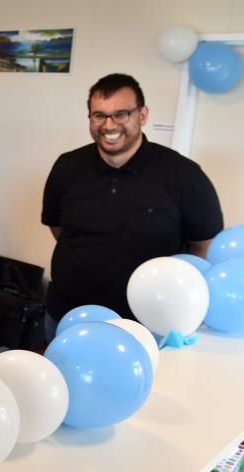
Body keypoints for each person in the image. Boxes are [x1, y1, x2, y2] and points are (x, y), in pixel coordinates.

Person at [42, 73, 223, 328]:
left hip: (149, 321)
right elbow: (59, 228)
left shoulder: (183, 174)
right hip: (69, 314)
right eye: (99, 115)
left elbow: (203, 246)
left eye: (121, 114)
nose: (109, 125)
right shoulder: (67, 166)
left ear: (143, 115)